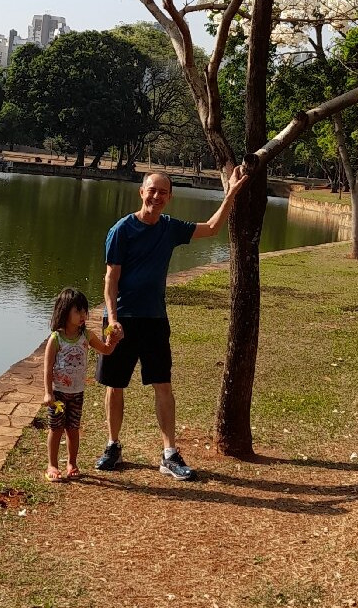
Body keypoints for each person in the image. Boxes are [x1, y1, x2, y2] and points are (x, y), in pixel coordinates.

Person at [96, 166, 248, 481]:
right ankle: (112, 446)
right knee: (115, 385)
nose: (156, 196)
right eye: (152, 190)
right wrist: (111, 319)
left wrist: (230, 195)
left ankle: (169, 453)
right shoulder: (121, 230)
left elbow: (211, 228)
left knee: (162, 385)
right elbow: (111, 278)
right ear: (141, 192)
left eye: (163, 192)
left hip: (154, 320)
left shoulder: (169, 228)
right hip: (121, 319)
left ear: (169, 197)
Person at [42, 288, 119, 482]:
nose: (83, 315)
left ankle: (72, 463)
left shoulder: (87, 336)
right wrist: (48, 393)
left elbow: (106, 350)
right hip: (59, 392)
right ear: (65, 312)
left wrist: (113, 339)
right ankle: (52, 464)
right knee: (56, 428)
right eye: (78, 311)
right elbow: (47, 368)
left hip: (77, 392)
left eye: (84, 311)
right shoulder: (56, 339)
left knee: (73, 428)